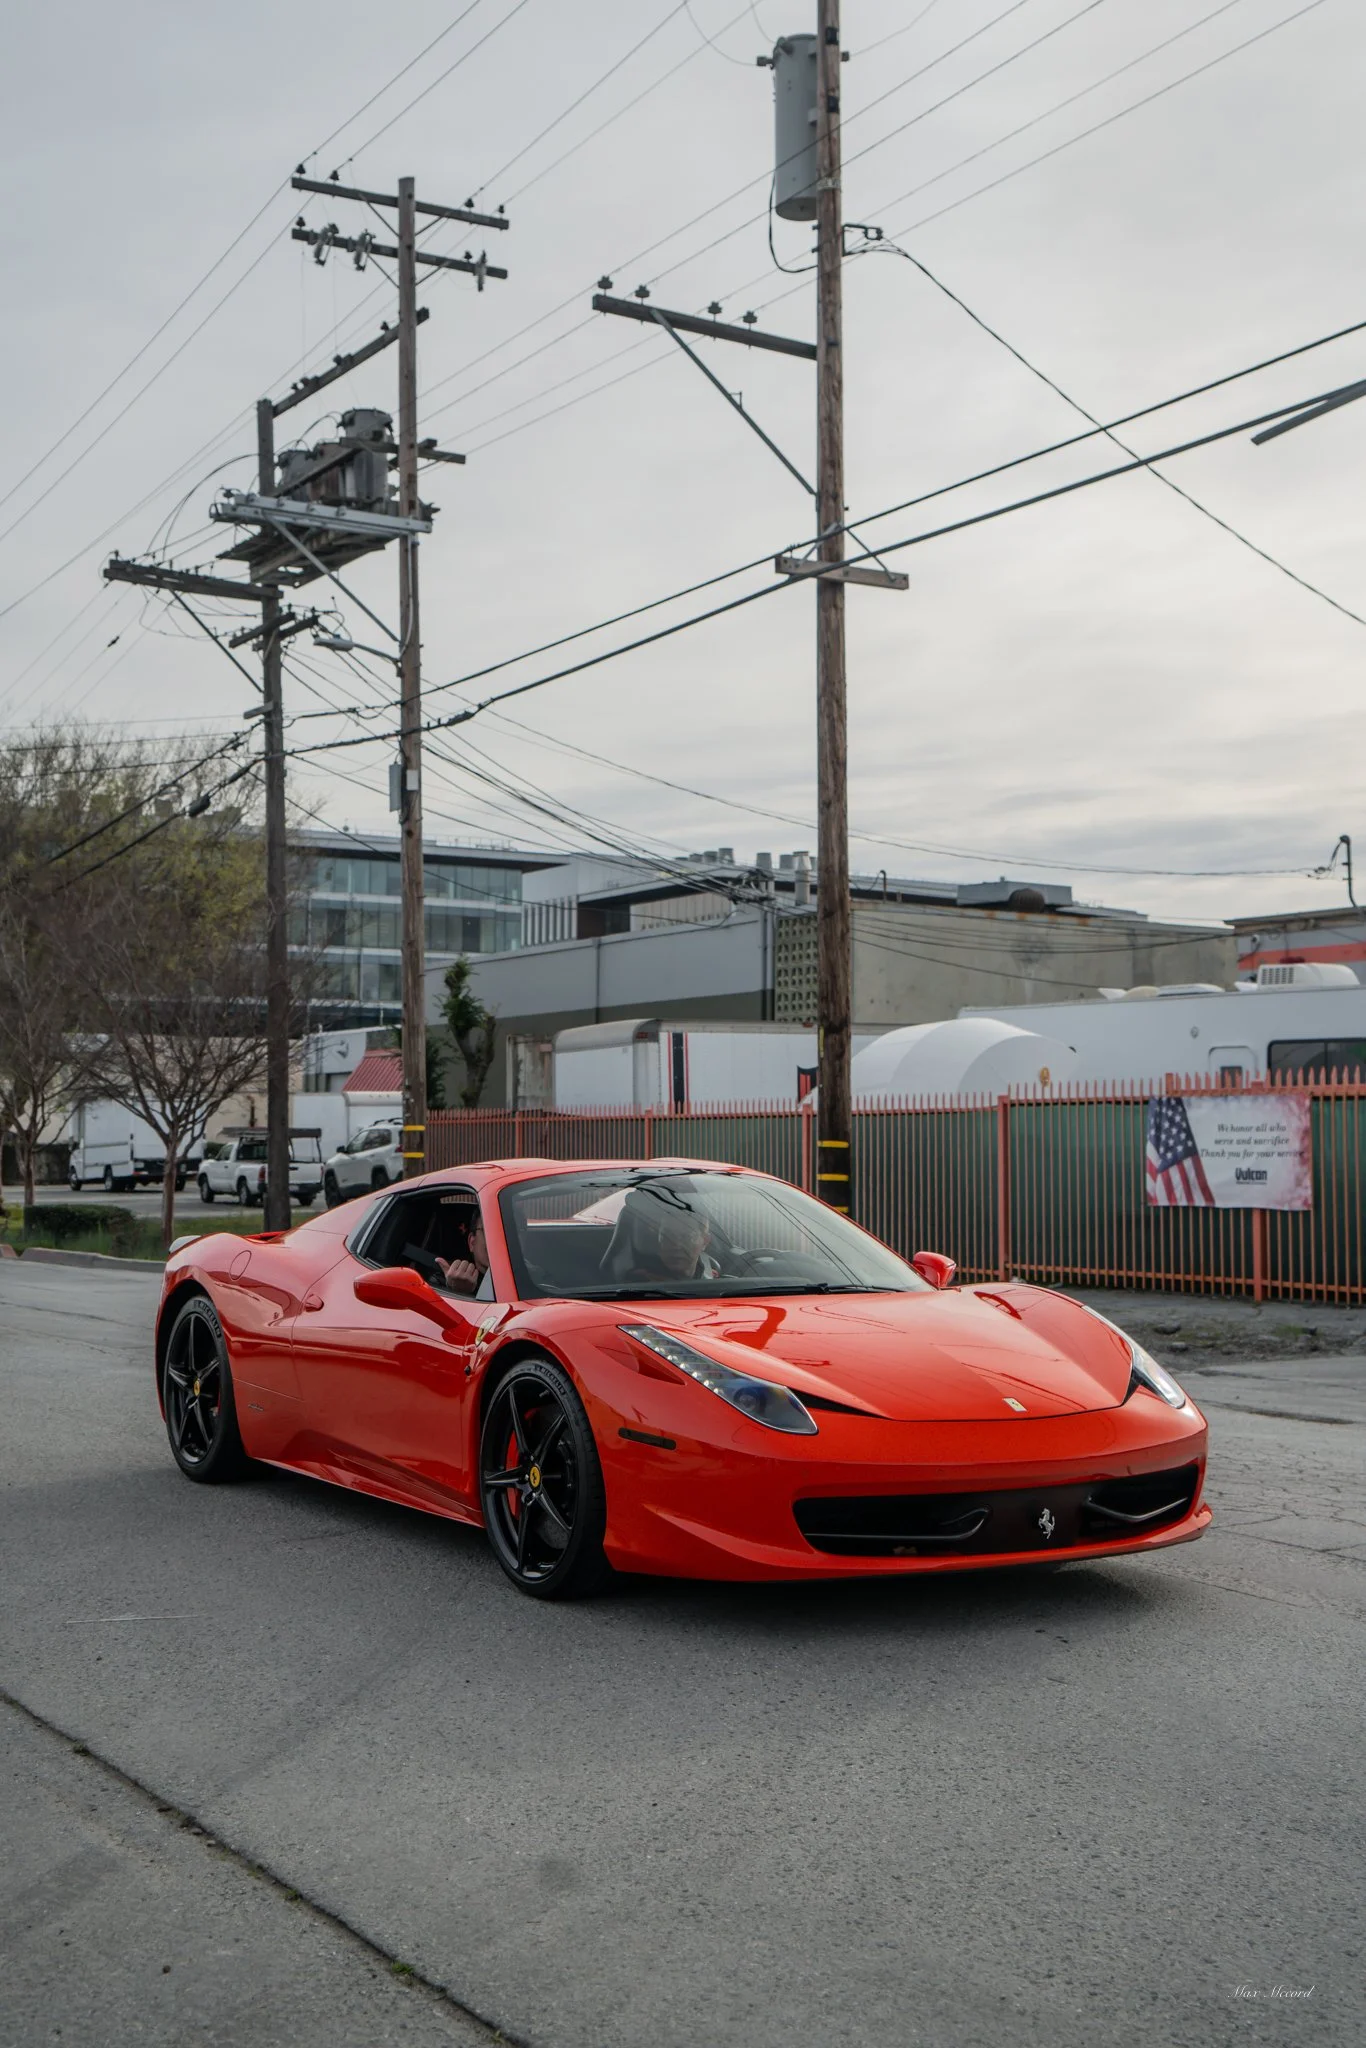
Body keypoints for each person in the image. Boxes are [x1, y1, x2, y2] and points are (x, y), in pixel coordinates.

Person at [436, 1213, 489, 1296]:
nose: (500, 1239)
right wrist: (457, 1291)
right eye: (488, 1231)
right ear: (472, 1242)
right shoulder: (440, 1280)